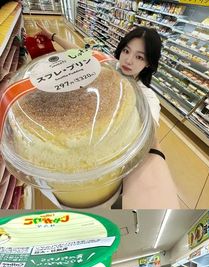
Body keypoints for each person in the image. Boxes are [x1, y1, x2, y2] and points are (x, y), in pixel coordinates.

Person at [35, 23, 180, 209]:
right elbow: (79, 53)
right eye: (126, 51)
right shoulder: (109, 66)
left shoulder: (147, 97)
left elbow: (149, 137)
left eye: (139, 57)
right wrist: (52, 35)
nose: (128, 60)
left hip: (109, 171)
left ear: (149, 63)